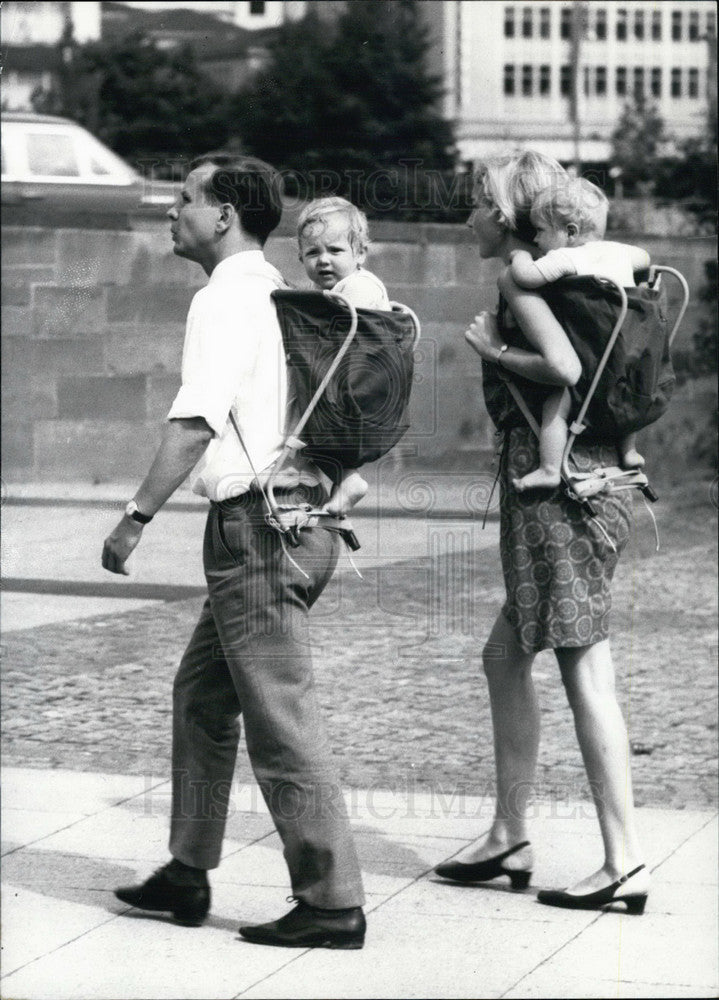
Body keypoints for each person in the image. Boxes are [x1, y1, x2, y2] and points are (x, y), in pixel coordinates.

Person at [101, 154, 366, 949]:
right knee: (202, 695)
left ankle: (330, 902)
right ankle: (187, 867)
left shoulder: (225, 301)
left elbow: (194, 423)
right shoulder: (280, 294)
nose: (171, 211)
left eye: (184, 199)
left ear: (223, 216)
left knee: (278, 716)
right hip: (298, 525)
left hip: (259, 531)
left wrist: (133, 517)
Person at [434, 151, 650, 916]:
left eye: (475, 205)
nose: (467, 218)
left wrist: (490, 349)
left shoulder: (519, 276)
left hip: (559, 491)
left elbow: (557, 365)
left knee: (585, 667)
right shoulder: (571, 276)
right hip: (589, 481)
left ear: (504, 213)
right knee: (503, 655)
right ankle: (507, 833)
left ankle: (623, 860)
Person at [508, 176, 651, 491]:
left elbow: (528, 277)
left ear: (570, 232)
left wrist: (520, 257)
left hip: (586, 356)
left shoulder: (567, 256)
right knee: (629, 395)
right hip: (626, 354)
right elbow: (645, 258)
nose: (536, 238)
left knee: (555, 406)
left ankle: (548, 468)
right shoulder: (618, 251)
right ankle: (628, 451)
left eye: (541, 231)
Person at [296, 196, 391, 516]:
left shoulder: (359, 287)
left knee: (304, 423)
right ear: (300, 257)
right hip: (348, 388)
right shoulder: (335, 291)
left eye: (335, 250)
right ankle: (343, 481)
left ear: (360, 253)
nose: (323, 260)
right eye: (313, 252)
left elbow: (345, 335)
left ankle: (345, 481)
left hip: (358, 387)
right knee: (309, 438)